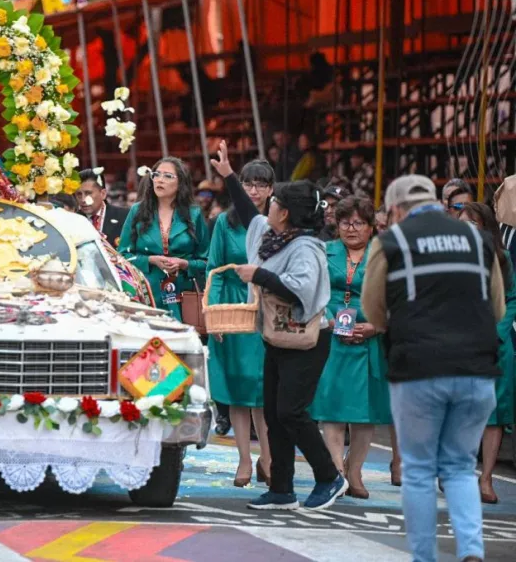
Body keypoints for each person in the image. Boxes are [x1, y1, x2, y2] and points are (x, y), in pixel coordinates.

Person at [361, 174, 505, 562]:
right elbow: (497, 309)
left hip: (419, 368)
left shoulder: (390, 242)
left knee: (421, 469)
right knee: (459, 466)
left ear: (394, 209)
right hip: (477, 370)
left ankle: (424, 557)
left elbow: (373, 310)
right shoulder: (478, 240)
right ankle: (471, 550)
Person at [211, 140, 347, 511]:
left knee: (291, 411)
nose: (265, 205)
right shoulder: (271, 235)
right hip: (277, 336)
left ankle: (329, 476)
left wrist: (259, 275)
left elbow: (301, 290)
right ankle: (282, 488)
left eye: (273, 202)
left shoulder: (306, 248)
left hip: (308, 339)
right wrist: (228, 177)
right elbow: (247, 213)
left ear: (285, 212)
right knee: (272, 413)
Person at [309, 196, 392, 500]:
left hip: (370, 335)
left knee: (363, 411)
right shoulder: (324, 250)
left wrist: (376, 325)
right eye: (345, 222)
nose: (351, 228)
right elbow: (315, 289)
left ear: (371, 227)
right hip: (330, 333)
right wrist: (331, 322)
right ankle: (336, 472)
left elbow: (396, 296)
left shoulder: (384, 255)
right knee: (330, 406)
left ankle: (354, 469)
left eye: (358, 222)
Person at [206, 159, 274, 489]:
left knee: (264, 391)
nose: (254, 190)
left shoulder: (278, 221)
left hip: (267, 306)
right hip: (234, 306)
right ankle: (245, 459)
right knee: (237, 392)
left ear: (272, 190)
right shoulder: (224, 223)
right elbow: (215, 269)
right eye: (248, 183)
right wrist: (216, 313)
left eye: (261, 184)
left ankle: (269, 458)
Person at [458, 202, 515, 505]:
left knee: (494, 414)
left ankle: (486, 477)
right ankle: (459, 471)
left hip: (495, 345)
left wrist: (497, 332)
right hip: (458, 345)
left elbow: (512, 298)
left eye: (475, 224)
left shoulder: (503, 258)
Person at [118, 157, 209, 322]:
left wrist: (185, 264)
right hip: (146, 293)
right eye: (157, 175)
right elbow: (122, 256)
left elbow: (207, 260)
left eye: (168, 176)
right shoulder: (137, 211)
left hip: (184, 293)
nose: (160, 180)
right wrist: (150, 260)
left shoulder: (194, 214)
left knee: (182, 345)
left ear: (181, 183)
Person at [76, 168, 129, 247]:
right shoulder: (73, 220)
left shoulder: (125, 217)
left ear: (103, 194)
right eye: (79, 194)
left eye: (88, 193)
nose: (83, 200)